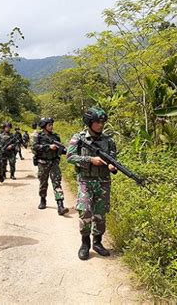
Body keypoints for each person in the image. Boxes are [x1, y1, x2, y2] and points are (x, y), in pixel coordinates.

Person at [66, 107, 117, 260]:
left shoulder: (109, 140)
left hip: (103, 182)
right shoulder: (79, 138)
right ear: (89, 122)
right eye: (97, 122)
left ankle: (98, 242)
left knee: (100, 214)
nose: (100, 125)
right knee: (85, 211)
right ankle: (85, 243)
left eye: (102, 122)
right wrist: (90, 160)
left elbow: (113, 157)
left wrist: (111, 165)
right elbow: (70, 157)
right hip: (85, 182)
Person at [32, 117, 69, 216]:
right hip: (42, 163)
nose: (52, 126)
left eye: (52, 124)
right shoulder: (38, 136)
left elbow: (61, 150)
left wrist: (66, 151)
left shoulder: (56, 137)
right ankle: (43, 199)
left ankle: (60, 205)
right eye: (49, 125)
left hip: (54, 163)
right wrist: (48, 147)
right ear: (44, 126)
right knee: (43, 183)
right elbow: (34, 147)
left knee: (57, 183)